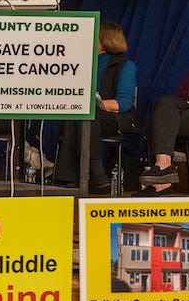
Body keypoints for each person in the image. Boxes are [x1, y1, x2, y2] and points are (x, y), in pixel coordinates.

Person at [52, 20, 138, 192]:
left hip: (115, 118)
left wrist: (93, 104)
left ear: (105, 41)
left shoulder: (125, 66)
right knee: (80, 111)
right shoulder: (81, 65)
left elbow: (124, 103)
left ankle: (84, 173)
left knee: (86, 111)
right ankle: (88, 174)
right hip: (87, 117)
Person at [140, 11, 189, 194]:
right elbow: (183, 92)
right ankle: (163, 168)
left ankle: (161, 182)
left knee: (161, 122)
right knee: (166, 103)